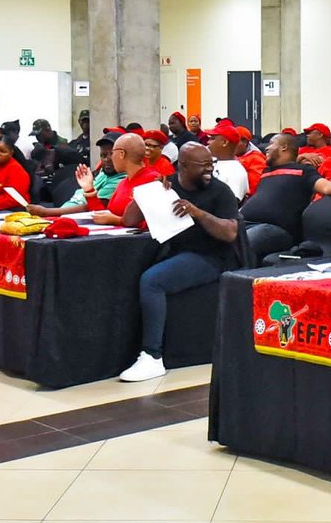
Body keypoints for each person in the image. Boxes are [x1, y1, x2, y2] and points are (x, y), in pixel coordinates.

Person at [119, 142, 241, 382]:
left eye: (211, 164)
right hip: (176, 251)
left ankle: (152, 356)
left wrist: (198, 213)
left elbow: (230, 233)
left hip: (211, 258)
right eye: (203, 165)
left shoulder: (220, 191)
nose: (209, 170)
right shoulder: (168, 184)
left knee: (152, 281)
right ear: (183, 166)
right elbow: (129, 220)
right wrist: (149, 191)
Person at [240, 133, 331, 261]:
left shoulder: (303, 171)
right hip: (246, 223)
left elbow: (325, 186)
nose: (266, 148)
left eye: (272, 144)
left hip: (275, 229)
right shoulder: (266, 172)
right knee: (223, 240)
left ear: (284, 147)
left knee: (240, 243)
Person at [28, 132, 125, 217]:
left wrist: (47, 212)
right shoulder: (104, 173)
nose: (107, 159)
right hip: (63, 212)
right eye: (103, 155)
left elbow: (92, 208)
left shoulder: (120, 180)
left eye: (112, 154)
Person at [88, 132, 160, 226]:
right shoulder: (123, 183)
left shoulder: (153, 180)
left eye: (113, 153)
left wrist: (118, 220)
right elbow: (105, 216)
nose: (110, 158)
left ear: (122, 154)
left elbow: (156, 222)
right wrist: (88, 189)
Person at [205, 124, 250, 200]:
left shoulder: (236, 172)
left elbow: (229, 206)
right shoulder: (211, 162)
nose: (208, 142)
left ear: (225, 142)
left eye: (212, 139)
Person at [235, 127, 266, 195]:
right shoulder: (231, 157)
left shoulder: (256, 159)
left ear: (245, 142)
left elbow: (254, 188)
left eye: (234, 141)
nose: (230, 144)